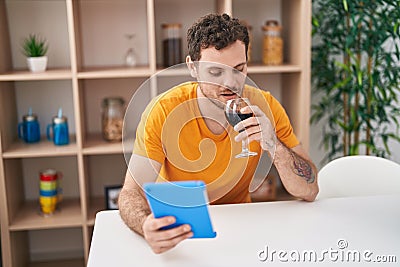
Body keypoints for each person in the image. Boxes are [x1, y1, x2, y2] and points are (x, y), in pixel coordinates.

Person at [119, 13, 319, 254]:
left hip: (241, 229)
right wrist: (145, 225)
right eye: (215, 72)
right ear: (192, 67)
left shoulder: (265, 107)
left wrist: (274, 145)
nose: (231, 83)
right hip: (181, 232)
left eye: (239, 69)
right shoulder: (164, 111)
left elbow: (310, 190)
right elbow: (131, 193)